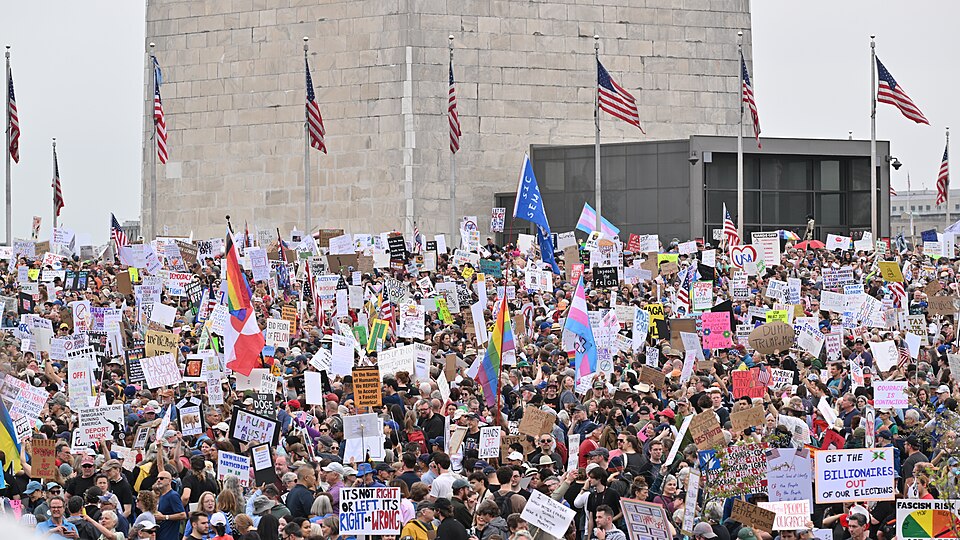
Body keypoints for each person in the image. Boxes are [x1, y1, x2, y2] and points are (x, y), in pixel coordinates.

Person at [154, 470, 187, 540]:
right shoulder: (162, 495)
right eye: (158, 478)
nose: (159, 480)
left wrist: (164, 517)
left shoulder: (173, 495)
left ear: (169, 481)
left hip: (169, 536)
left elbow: (183, 515)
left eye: (162, 478)